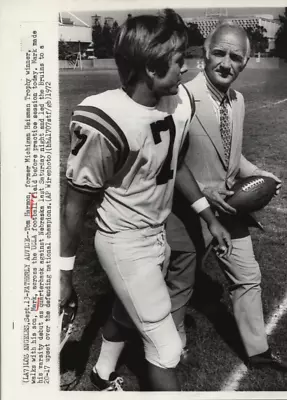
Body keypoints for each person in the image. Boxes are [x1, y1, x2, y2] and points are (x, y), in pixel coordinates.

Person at [60, 10, 232, 392]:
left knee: (125, 312)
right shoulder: (107, 119)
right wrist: (64, 274)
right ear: (152, 70)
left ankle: (102, 375)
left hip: (156, 236)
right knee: (167, 348)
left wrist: (210, 219)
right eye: (177, 62)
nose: (186, 70)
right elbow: (75, 206)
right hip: (124, 242)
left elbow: (175, 163)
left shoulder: (178, 102)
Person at [166, 22, 287, 370]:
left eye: (236, 57)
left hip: (231, 209)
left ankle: (258, 352)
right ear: (205, 55)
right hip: (189, 211)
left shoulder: (237, 101)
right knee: (180, 285)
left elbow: (232, 155)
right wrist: (204, 193)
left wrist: (257, 173)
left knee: (248, 276)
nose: (226, 63)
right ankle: (169, 343)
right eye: (220, 54)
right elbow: (169, 161)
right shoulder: (181, 97)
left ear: (245, 63)